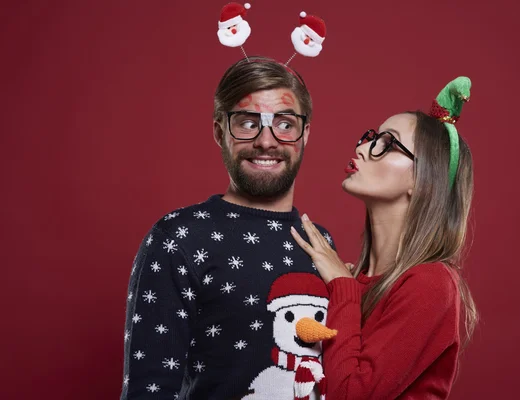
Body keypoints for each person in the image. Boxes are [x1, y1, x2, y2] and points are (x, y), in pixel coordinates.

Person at [120, 57, 337, 400]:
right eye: (248, 123)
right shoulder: (179, 238)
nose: (267, 141)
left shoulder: (321, 243)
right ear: (220, 131)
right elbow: (150, 391)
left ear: (305, 133)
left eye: (284, 123)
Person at [291, 77, 479, 399]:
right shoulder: (357, 280)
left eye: (387, 143)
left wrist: (342, 286)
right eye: (371, 137)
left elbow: (350, 395)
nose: (362, 147)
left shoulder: (431, 283)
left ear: (423, 180)